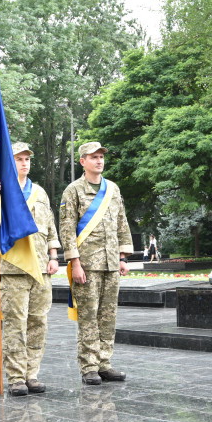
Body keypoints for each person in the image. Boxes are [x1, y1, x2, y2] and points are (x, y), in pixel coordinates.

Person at [0, 142, 61, 396]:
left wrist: (54, 255)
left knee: (38, 323)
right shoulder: (2, 190)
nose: (24, 163)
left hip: (40, 267)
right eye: (18, 159)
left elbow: (49, 225)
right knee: (16, 324)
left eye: (27, 159)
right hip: (13, 268)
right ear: (8, 162)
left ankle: (31, 374)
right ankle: (16, 377)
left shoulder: (39, 192)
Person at [60, 141, 134, 385]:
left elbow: (121, 223)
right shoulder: (73, 191)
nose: (99, 160)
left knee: (108, 316)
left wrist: (123, 258)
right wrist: (75, 262)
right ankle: (89, 366)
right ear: (82, 161)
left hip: (111, 263)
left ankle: (104, 363)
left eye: (101, 156)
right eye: (93, 157)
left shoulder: (112, 189)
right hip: (87, 264)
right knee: (89, 317)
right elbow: (67, 229)